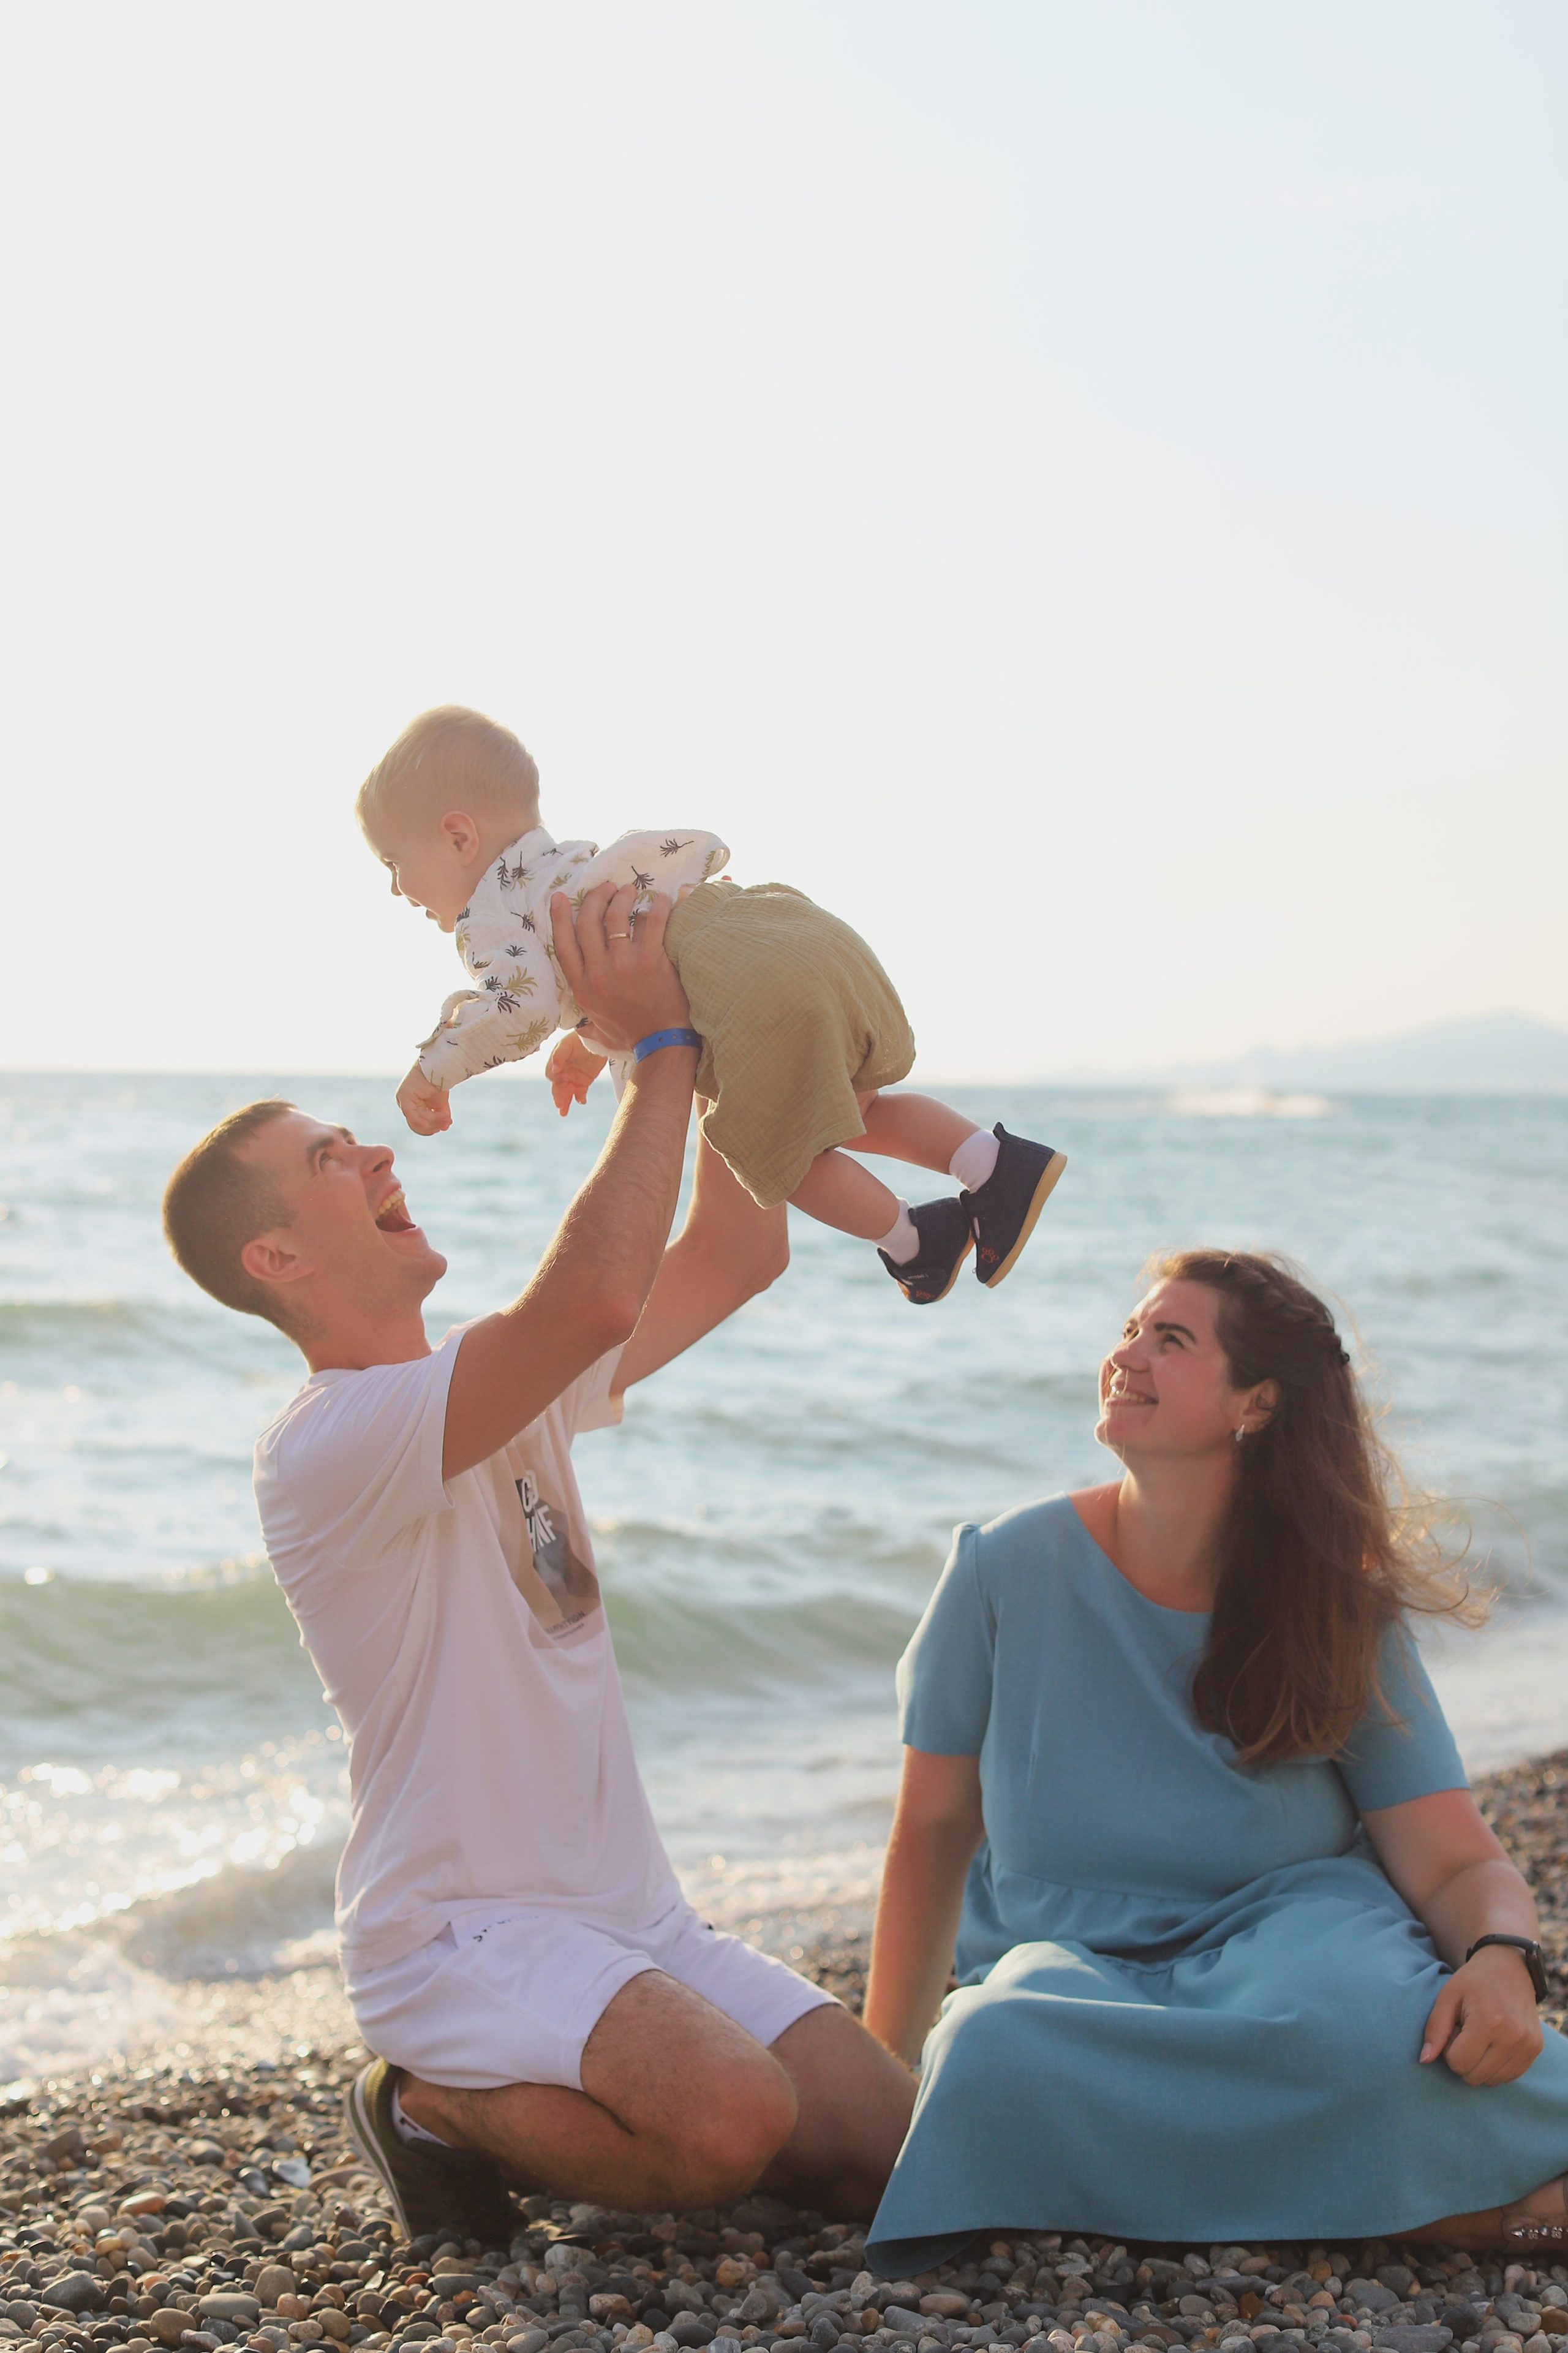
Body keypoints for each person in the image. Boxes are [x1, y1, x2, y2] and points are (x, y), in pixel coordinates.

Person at [160, 879, 914, 2245]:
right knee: (729, 2124)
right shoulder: (327, 1444)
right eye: (331, 1158)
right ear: (275, 1256)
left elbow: (737, 1250)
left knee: (897, 2153)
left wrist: (691, 1025)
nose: (373, 1153)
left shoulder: (511, 1388)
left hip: (634, 1918)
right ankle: (426, 2106)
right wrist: (658, 1049)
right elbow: (593, 1295)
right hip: (459, 1936)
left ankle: (624, 2082)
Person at [860, 1248, 1568, 2265]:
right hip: (1073, 1969)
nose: (1126, 1355)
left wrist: (1502, 1957)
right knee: (989, 2045)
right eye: (1130, 1330)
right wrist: (884, 2073)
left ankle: (1141, 2190)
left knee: (1364, 2028)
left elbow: (1454, 1859)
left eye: (1171, 1339)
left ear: (1257, 1403)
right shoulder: (1001, 1568)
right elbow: (931, 1830)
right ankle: (1485, 2217)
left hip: (1296, 1947)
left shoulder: (1334, 1604)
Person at [355, 703, 1067, 1305]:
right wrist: (589, 1041)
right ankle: (991, 1160)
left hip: (750, 996)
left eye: (394, 864)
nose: (394, 889)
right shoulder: (573, 866)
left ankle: (916, 1240)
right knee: (854, 1109)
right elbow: (618, 963)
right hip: (776, 931)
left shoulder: (487, 916)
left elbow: (524, 1006)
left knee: (784, 1159)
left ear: (458, 837)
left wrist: (436, 1069)